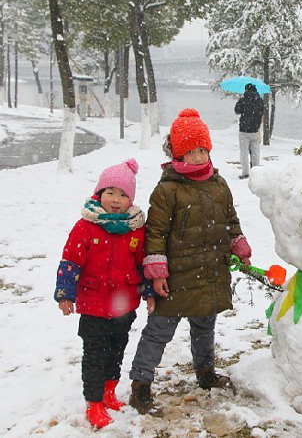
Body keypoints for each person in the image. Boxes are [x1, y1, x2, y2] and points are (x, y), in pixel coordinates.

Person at [129, 108, 252, 414]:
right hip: (177, 277)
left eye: (202, 150)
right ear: (178, 154)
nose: (198, 157)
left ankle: (205, 372)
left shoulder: (218, 184)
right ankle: (140, 384)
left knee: (204, 326)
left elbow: (230, 220)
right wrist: (158, 272)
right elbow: (155, 233)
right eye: (191, 152)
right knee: (158, 331)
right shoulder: (167, 190)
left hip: (209, 272)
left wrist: (238, 243)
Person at [54, 158, 154, 428]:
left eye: (123, 195)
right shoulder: (85, 227)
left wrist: (149, 294)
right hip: (93, 306)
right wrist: (65, 294)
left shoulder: (135, 230)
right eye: (110, 192)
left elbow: (143, 264)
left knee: (116, 352)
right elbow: (70, 262)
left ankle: (110, 391)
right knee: (95, 356)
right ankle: (94, 402)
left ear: (130, 200)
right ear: (99, 194)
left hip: (124, 307)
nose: (116, 200)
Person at [234, 83, 264, 179]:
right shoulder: (260, 101)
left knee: (244, 153)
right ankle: (256, 172)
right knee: (255, 153)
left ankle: (245, 172)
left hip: (244, 130)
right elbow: (261, 113)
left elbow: (237, 110)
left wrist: (240, 102)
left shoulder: (243, 100)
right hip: (255, 130)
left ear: (246, 90)